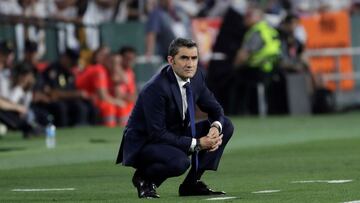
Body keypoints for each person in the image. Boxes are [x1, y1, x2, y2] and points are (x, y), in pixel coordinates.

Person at [116, 38, 234, 198]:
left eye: (194, 58)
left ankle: (192, 184)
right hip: (146, 143)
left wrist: (215, 128)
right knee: (180, 162)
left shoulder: (197, 76)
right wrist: (198, 143)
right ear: (171, 60)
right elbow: (157, 133)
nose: (190, 64)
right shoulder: (156, 88)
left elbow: (215, 109)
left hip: (174, 134)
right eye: (184, 58)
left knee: (225, 125)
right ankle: (144, 178)